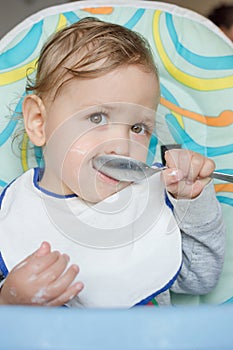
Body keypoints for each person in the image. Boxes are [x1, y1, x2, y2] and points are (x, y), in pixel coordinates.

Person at [0, 17, 225, 307]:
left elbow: (201, 278)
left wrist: (191, 199)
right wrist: (8, 301)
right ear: (39, 122)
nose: (122, 145)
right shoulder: (14, 214)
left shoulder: (153, 197)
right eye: (97, 118)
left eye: (138, 128)